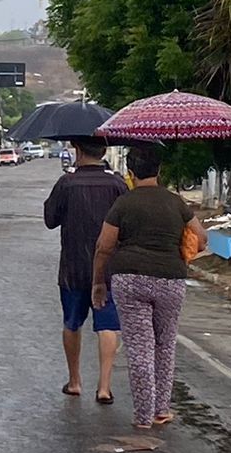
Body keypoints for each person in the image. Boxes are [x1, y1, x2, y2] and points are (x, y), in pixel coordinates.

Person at [93, 145, 207, 429]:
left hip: (129, 281)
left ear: (130, 173)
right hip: (170, 279)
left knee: (140, 349)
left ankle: (143, 416)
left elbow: (104, 247)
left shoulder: (124, 203)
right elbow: (202, 238)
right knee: (165, 346)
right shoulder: (176, 202)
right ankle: (161, 410)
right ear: (159, 170)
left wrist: (98, 282)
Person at [43, 136, 127, 404]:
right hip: (108, 272)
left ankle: (75, 381)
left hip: (73, 269)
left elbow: (50, 219)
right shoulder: (117, 184)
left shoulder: (67, 183)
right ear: (104, 151)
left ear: (77, 150)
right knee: (107, 326)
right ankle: (104, 387)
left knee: (71, 323)